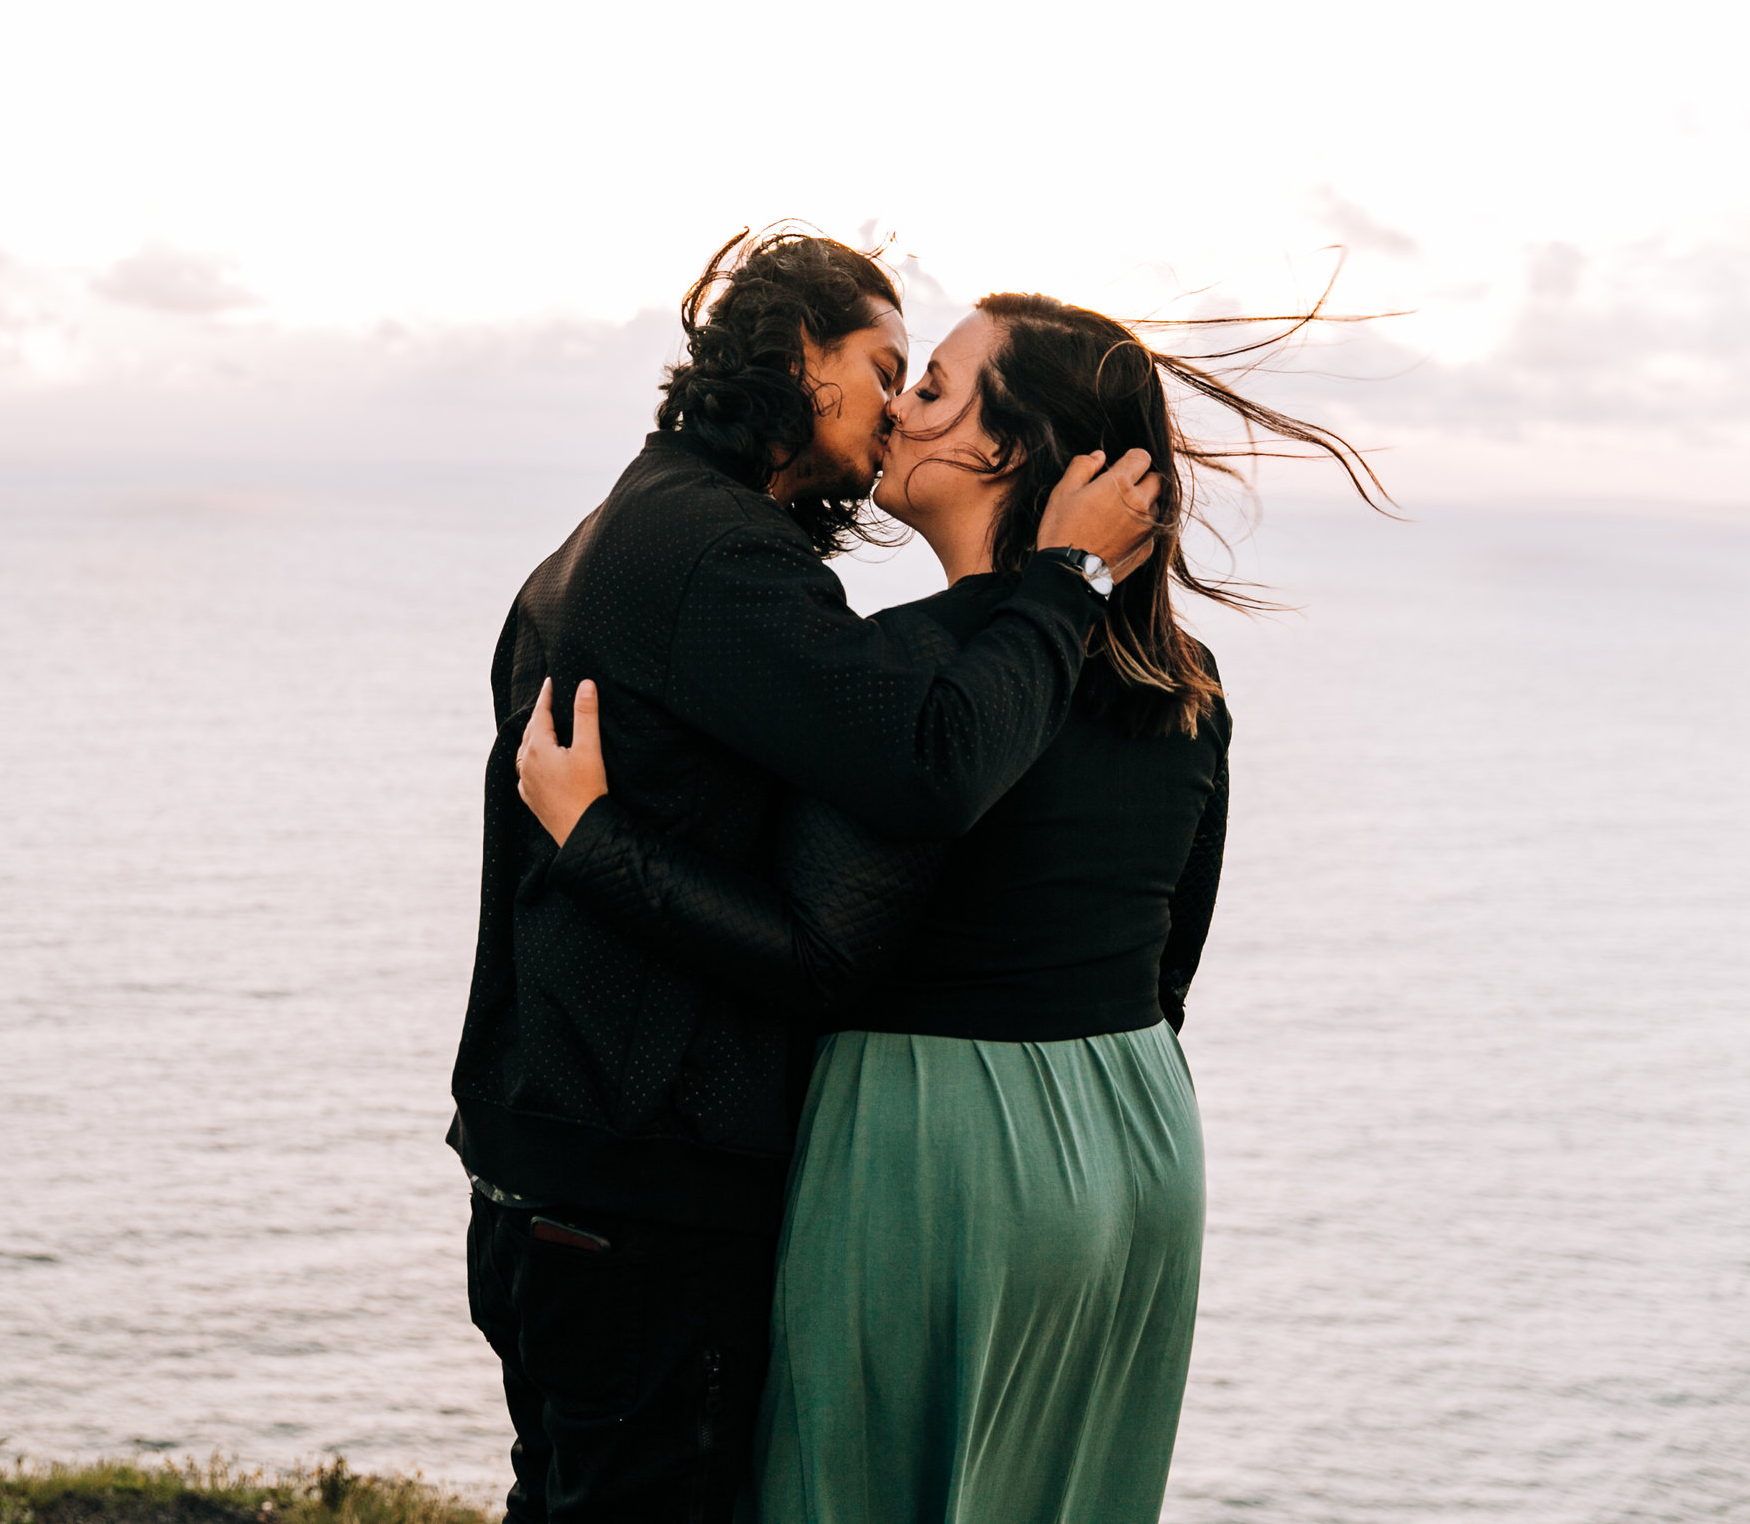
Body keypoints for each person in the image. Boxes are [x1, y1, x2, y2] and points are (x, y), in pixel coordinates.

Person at [514, 291, 1386, 1522]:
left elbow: (813, 956)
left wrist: (596, 842)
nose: (892, 412)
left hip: (937, 1147)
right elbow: (1172, 959)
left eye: (926, 387)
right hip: (1137, 1136)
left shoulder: (916, 675)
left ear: (1001, 450)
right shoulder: (1184, 683)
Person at [450, 232, 1162, 1523]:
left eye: (923, 382)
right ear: (796, 360)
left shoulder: (644, 523)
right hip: (634, 1171)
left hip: (575, 1153)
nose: (898, 404)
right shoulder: (718, 556)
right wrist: (1064, 581)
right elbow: (926, 767)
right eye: (886, 367)